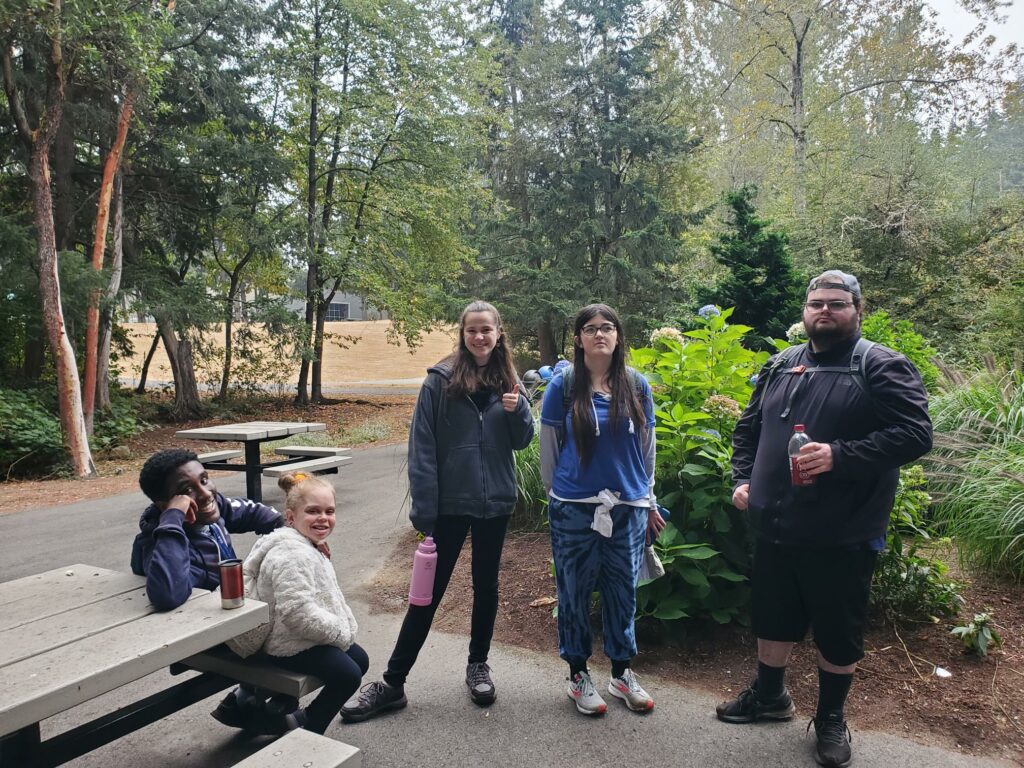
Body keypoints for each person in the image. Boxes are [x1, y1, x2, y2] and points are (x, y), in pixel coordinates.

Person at [716, 271, 933, 767]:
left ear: (858, 309)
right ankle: (770, 697)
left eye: (837, 304)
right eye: (816, 304)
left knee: (837, 629)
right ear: (805, 310)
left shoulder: (879, 366)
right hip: (774, 524)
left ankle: (831, 717)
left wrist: (840, 455)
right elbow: (748, 428)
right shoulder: (781, 364)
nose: (824, 312)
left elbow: (916, 434)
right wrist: (742, 479)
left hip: (843, 531)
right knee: (773, 616)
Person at [340, 300, 535, 722]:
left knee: (487, 588)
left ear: (499, 333)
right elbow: (422, 449)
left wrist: (518, 413)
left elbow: (522, 440)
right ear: (462, 335)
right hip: (448, 506)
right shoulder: (440, 382)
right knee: (426, 595)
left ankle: (477, 665)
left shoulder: (510, 381)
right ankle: (393, 683)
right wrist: (425, 510)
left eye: (487, 329)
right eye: (472, 330)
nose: (480, 336)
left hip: (495, 503)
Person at [539, 303, 665, 716]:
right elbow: (550, 453)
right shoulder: (563, 386)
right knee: (573, 593)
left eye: (607, 327)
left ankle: (621, 673)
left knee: (622, 593)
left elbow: (647, 451)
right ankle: (578, 675)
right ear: (578, 339)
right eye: (590, 329)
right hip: (574, 509)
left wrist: (648, 500)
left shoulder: (636, 385)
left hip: (627, 507)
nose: (599, 334)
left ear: (617, 336)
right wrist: (559, 497)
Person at [131, 448, 285, 728]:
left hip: (231, 617)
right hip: (202, 632)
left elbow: (264, 515)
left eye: (205, 479)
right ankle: (260, 704)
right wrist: (173, 519)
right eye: (186, 490)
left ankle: (245, 701)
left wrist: (295, 536)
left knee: (292, 611)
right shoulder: (162, 540)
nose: (204, 493)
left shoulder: (211, 509)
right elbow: (167, 594)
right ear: (164, 503)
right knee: (295, 638)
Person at [240, 471, 367, 735]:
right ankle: (310, 729)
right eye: (313, 511)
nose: (323, 518)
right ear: (290, 517)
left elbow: (325, 596)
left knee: (360, 660)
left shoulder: (309, 544)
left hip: (303, 636)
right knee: (348, 675)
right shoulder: (291, 554)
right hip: (287, 644)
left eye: (329, 511)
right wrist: (340, 632)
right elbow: (297, 613)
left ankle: (299, 717)